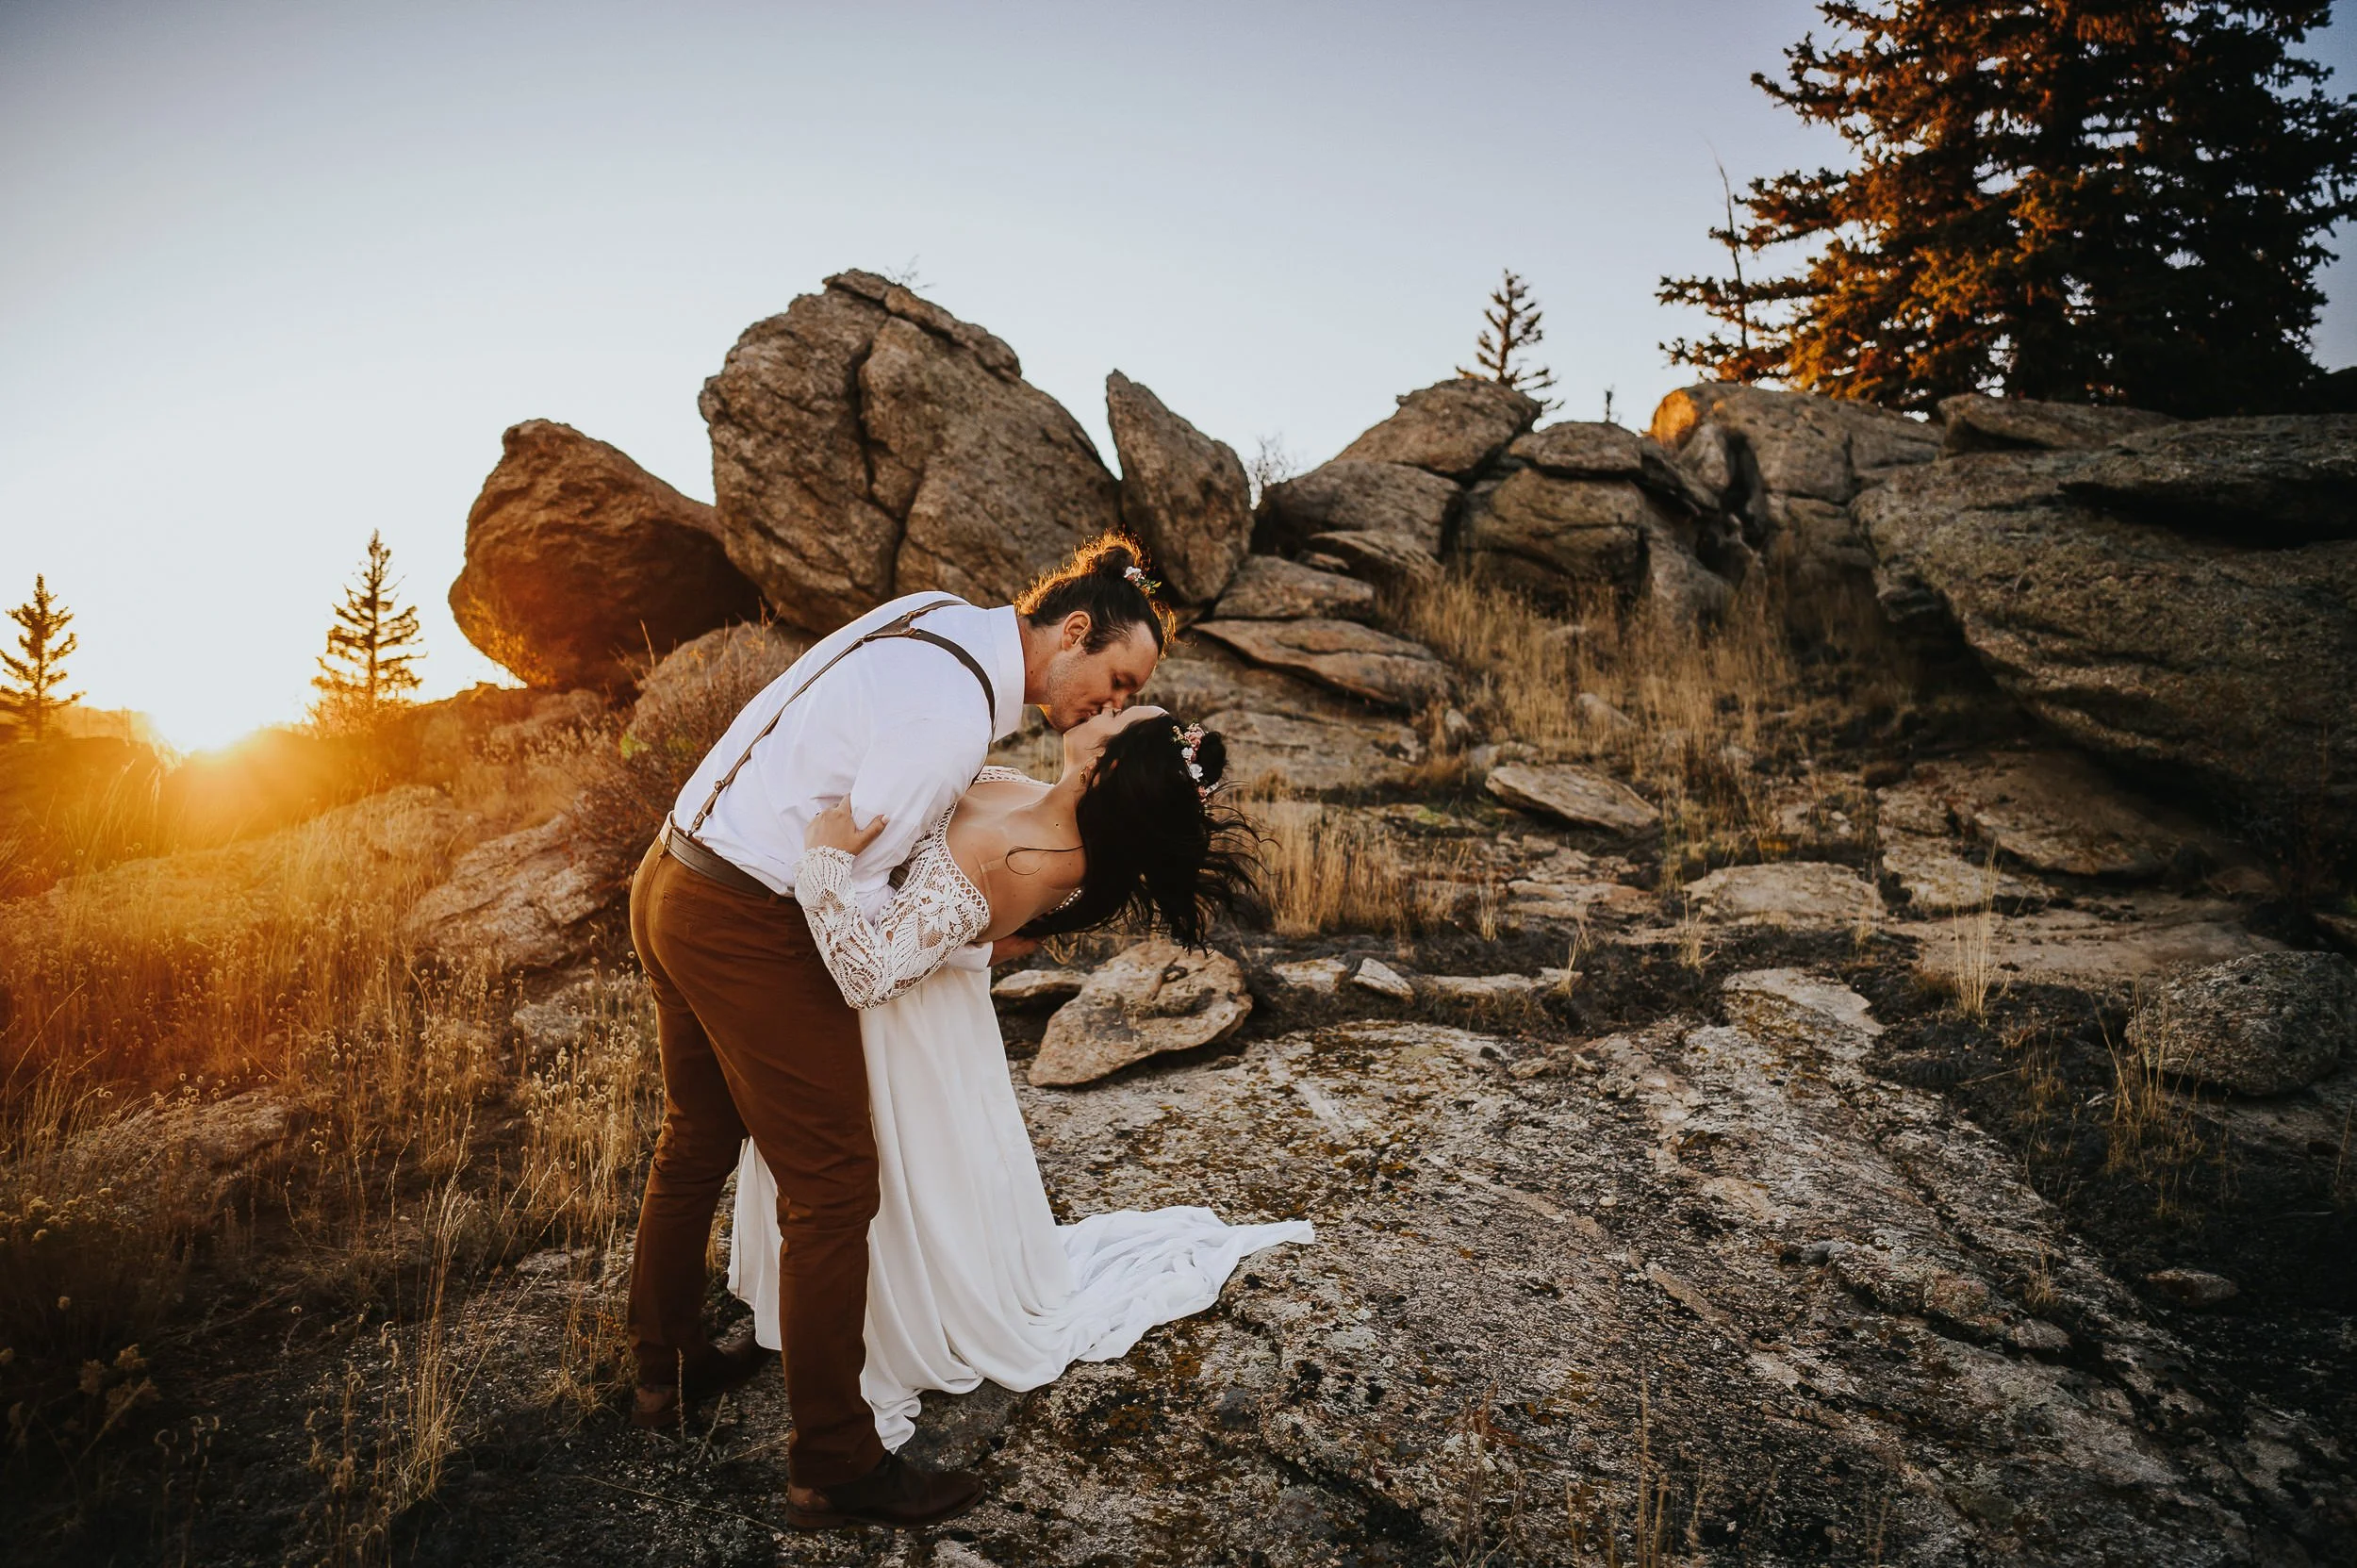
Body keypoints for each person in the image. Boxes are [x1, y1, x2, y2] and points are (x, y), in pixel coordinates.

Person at [624, 536, 1165, 1531]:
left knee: (694, 1136)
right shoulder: (947, 722)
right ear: (1075, 631)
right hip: (745, 915)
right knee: (833, 1183)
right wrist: (963, 937)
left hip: (669, 871)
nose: (1113, 704)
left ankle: (663, 1369)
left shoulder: (938, 616)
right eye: (1116, 678)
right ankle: (833, 1462)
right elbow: (859, 951)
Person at [728, 700, 1310, 1531]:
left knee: (884, 1182)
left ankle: (881, 1330)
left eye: (1120, 716)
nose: (1106, 708)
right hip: (924, 1007)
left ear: (1105, 765)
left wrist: (823, 866)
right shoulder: (1033, 792)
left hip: (898, 1030)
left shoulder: (1039, 850)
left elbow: (870, 974)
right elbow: (949, 913)